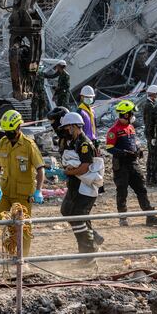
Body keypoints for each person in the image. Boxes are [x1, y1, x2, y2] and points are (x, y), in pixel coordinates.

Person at [0, 110, 45, 256]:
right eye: (6, 131)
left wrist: (38, 190)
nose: (8, 134)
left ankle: (21, 257)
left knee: (22, 225)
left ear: (19, 127)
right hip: (4, 190)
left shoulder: (28, 145)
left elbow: (40, 169)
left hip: (23, 193)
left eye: (11, 131)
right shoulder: (3, 143)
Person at [105, 100, 157, 228]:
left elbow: (134, 143)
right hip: (121, 165)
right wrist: (123, 153)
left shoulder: (131, 127)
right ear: (126, 115)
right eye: (131, 113)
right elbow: (109, 148)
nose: (133, 116)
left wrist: (138, 150)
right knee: (122, 191)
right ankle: (123, 218)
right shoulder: (114, 130)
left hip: (133, 164)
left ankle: (150, 216)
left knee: (141, 189)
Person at [58, 112, 101, 264]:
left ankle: (88, 253)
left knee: (77, 216)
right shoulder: (73, 142)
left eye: (68, 128)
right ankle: (91, 239)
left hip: (85, 188)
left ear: (75, 126)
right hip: (76, 186)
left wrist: (67, 172)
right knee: (68, 211)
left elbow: (84, 167)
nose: (66, 131)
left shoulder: (84, 144)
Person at [141, 85, 157, 183]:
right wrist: (152, 136)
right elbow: (149, 123)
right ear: (153, 94)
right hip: (151, 134)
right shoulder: (149, 106)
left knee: (152, 155)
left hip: (150, 134)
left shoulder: (150, 104)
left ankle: (151, 177)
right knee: (152, 156)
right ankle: (150, 178)